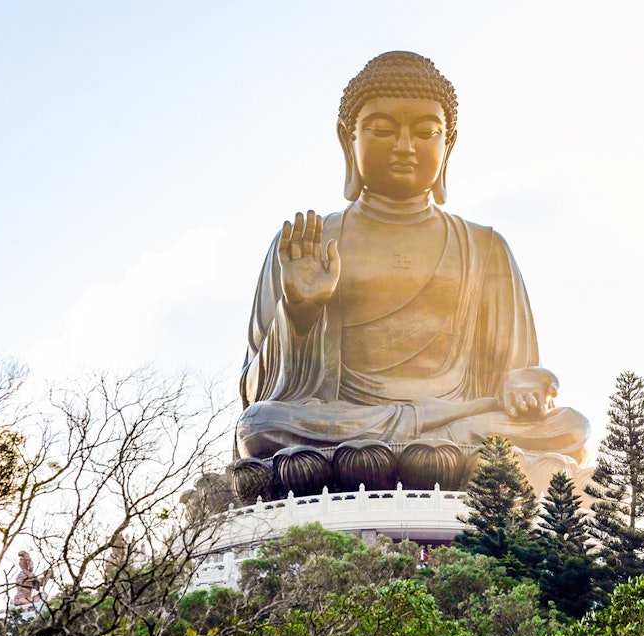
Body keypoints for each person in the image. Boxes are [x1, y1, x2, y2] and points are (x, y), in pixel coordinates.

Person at [236, 52, 589, 468]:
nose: (404, 147)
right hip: (346, 423)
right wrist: (300, 312)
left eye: (426, 132)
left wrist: (525, 385)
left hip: (458, 420)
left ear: (448, 143)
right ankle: (426, 457)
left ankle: (418, 455)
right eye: (382, 130)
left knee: (569, 427)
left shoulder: (484, 247)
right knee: (261, 424)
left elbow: (518, 372)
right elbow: (256, 393)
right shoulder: (307, 244)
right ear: (347, 139)